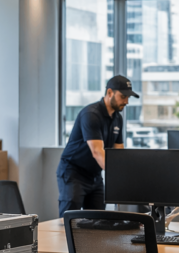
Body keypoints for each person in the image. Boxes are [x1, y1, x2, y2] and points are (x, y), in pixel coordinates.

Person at [57, 75, 138, 217]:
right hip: (73, 172)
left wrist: (127, 176)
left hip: (94, 175)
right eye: (123, 96)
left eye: (128, 97)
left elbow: (118, 152)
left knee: (98, 219)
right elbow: (97, 152)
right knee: (70, 219)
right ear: (109, 93)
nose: (126, 101)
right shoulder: (91, 114)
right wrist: (119, 178)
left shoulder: (117, 118)